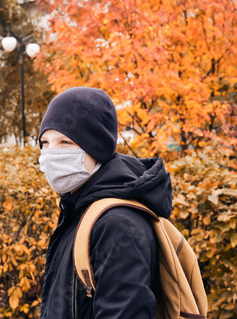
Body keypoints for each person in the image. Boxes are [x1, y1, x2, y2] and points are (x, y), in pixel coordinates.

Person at [38, 87, 173, 318]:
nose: (51, 154)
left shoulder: (116, 223)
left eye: (65, 142)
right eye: (45, 143)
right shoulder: (79, 207)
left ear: (96, 147)